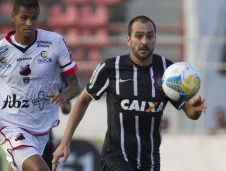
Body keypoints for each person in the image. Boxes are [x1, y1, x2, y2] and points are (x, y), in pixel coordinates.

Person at [52, 15, 207, 171]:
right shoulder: (110, 68)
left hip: (150, 160)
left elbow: (190, 113)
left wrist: (195, 108)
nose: (144, 41)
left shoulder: (168, 72)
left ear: (155, 39)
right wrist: (65, 141)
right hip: (116, 157)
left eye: (150, 36)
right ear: (129, 40)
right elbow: (83, 100)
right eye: (138, 36)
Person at [0, 0, 81, 171]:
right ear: (13, 16)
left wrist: (63, 96)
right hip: (11, 126)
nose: (29, 23)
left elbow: (75, 84)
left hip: (42, 129)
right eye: (24, 17)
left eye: (34, 17)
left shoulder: (55, 42)